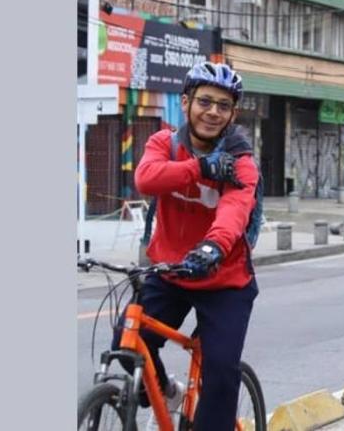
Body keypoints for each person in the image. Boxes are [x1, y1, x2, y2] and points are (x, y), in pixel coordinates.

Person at [119, 62, 260, 431]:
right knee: (128, 341)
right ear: (186, 103)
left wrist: (213, 248)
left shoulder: (241, 162)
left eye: (223, 105)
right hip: (170, 272)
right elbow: (147, 179)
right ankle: (165, 391)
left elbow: (234, 211)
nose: (213, 112)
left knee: (220, 373)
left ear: (232, 113)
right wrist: (200, 168)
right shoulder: (163, 143)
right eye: (205, 102)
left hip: (224, 279)